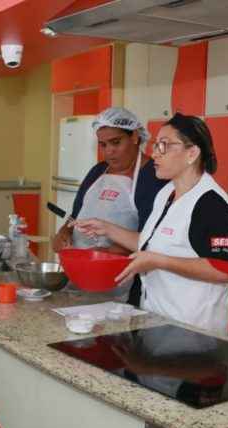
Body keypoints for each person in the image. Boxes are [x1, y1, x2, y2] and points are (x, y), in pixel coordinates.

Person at [73, 113, 228, 334]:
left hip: (192, 330)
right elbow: (151, 244)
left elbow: (223, 268)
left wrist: (159, 261)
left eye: (164, 146)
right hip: (158, 319)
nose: (154, 153)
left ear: (192, 153)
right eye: (156, 145)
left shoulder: (210, 203)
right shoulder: (167, 192)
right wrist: (107, 228)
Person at [52, 107, 167, 302]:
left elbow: (152, 239)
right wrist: (64, 232)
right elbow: (75, 215)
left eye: (116, 142)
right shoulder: (97, 172)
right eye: (102, 145)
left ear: (135, 137)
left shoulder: (153, 178)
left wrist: (102, 256)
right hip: (81, 276)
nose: (109, 151)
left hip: (123, 283)